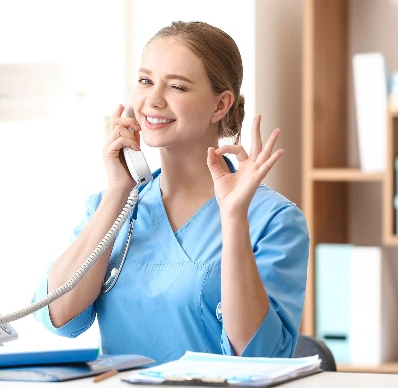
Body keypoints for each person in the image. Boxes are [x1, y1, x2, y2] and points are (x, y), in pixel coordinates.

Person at [32, 20, 309, 365]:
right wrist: (120, 191)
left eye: (177, 86)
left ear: (220, 105)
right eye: (146, 81)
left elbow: (258, 355)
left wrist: (234, 217)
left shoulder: (273, 220)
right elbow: (58, 317)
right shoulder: (113, 207)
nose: (153, 100)